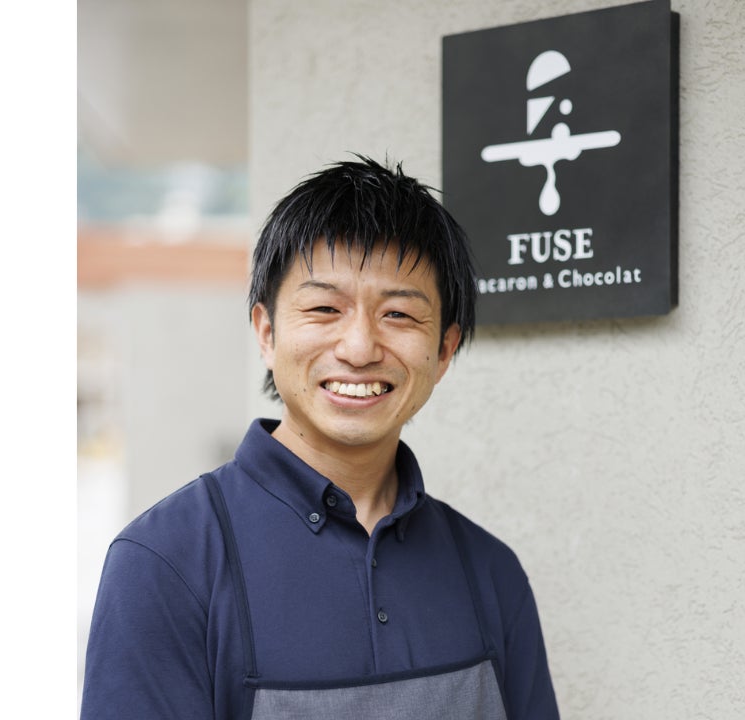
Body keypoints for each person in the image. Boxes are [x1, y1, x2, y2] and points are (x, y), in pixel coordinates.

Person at [80, 156, 560, 719]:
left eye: (399, 315)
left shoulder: (490, 571)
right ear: (267, 332)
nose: (359, 348)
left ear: (444, 351)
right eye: (325, 308)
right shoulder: (166, 561)